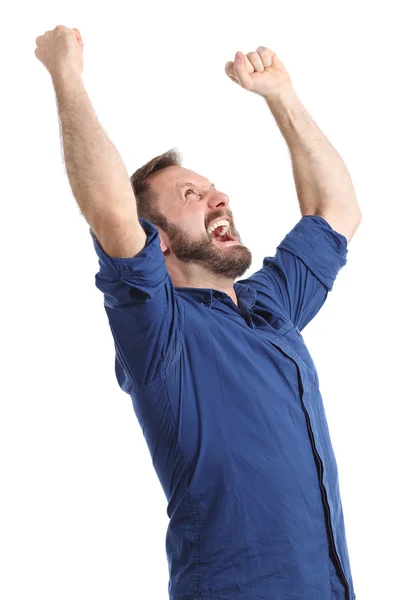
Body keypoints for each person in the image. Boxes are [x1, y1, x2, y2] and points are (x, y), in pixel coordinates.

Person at [35, 25, 361, 600]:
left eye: (214, 189)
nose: (220, 198)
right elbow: (111, 211)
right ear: (154, 238)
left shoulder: (269, 307)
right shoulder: (160, 330)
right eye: (191, 195)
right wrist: (66, 74)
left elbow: (335, 210)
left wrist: (282, 96)